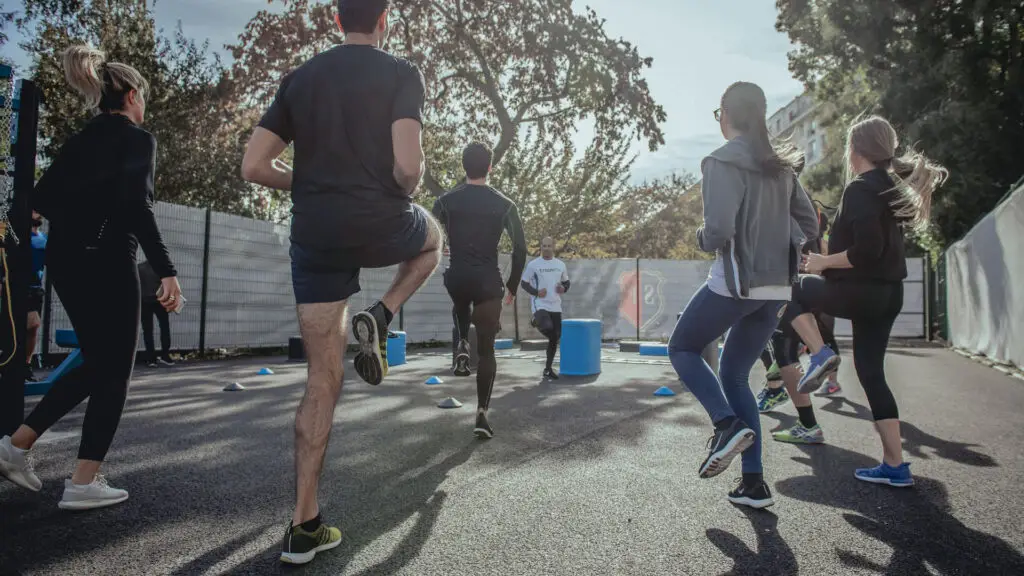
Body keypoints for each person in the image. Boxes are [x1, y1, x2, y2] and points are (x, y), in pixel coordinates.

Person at [240, 0, 442, 565]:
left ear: (336, 20)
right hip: (382, 220)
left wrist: (309, 184)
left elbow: (254, 166)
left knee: (320, 381)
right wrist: (404, 183)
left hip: (316, 234)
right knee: (433, 241)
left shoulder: (300, 79)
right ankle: (381, 313)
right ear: (384, 21)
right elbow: (407, 167)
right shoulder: (402, 73)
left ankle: (304, 524)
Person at [0, 46, 182, 510]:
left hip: (67, 262)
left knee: (98, 362)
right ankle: (82, 481)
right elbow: (137, 206)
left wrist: (83, 217)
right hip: (107, 261)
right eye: (144, 98)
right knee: (114, 371)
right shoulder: (138, 139)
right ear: (133, 96)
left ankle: (17, 444)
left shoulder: (82, 140)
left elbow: (39, 198)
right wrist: (167, 270)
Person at [666, 81, 818, 510]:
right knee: (734, 375)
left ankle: (725, 423)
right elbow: (810, 225)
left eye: (719, 115)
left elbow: (717, 231)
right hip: (776, 289)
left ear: (727, 115)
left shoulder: (719, 160)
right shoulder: (782, 167)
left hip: (736, 282)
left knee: (681, 347)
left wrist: (699, 236)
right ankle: (754, 484)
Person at [785, 115, 948, 487]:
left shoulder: (860, 187)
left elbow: (867, 250)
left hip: (862, 291)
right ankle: (895, 465)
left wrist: (824, 261)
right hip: (889, 294)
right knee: (871, 373)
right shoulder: (890, 186)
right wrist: (831, 257)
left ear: (855, 149)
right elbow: (871, 246)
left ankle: (820, 353)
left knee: (789, 291)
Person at [432, 142, 527, 439]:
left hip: (458, 276)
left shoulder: (446, 201)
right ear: (490, 167)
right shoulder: (505, 204)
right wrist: (512, 286)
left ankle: (461, 342)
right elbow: (521, 249)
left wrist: (443, 247)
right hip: (488, 282)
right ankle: (482, 415)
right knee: (486, 351)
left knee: (460, 300)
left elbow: (430, 234)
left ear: (463, 166)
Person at [520, 237, 570, 380]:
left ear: (554, 246)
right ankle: (535, 319)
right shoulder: (533, 265)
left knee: (555, 337)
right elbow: (524, 284)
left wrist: (563, 288)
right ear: (541, 247)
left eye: (549, 245)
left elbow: (567, 282)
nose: (546, 248)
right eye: (543, 246)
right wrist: (536, 292)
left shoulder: (560, 264)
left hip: (555, 305)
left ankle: (547, 369)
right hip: (540, 304)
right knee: (547, 327)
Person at [138, 260, 174, 367]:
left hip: (144, 302)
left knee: (148, 330)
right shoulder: (161, 267)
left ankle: (151, 358)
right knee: (164, 327)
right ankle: (165, 355)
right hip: (160, 302)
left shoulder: (139, 268)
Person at [25, 211, 47, 382]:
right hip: (18, 288)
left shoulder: (42, 238)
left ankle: (26, 364)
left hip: (36, 288)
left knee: (33, 329)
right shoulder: (16, 236)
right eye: (35, 212)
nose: (38, 214)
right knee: (26, 325)